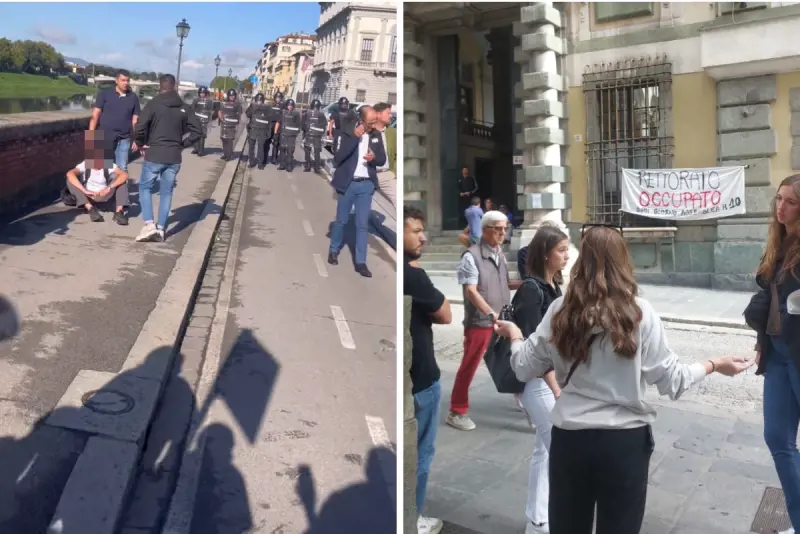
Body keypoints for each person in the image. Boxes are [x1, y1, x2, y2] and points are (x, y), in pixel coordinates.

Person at [493, 225, 753, 534]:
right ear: (623, 261)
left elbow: (522, 367)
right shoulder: (640, 312)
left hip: (571, 441)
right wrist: (714, 364)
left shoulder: (560, 310)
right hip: (624, 444)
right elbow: (672, 380)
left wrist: (515, 336)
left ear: (581, 262)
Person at [746, 174, 800, 534]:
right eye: (778, 199)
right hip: (778, 356)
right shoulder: (777, 244)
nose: (781, 207)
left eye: (790, 202)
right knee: (778, 439)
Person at [512, 226, 570, 534]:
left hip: (551, 380)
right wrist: (556, 386)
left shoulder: (553, 287)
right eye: (561, 249)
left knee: (544, 451)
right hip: (539, 384)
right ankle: (542, 519)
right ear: (545, 253)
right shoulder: (532, 289)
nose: (567, 254)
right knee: (559, 452)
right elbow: (536, 347)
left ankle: (537, 519)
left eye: (567, 249)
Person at [447, 210, 521, 431]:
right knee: (469, 365)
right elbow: (471, 291)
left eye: (504, 228)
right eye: (497, 228)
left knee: (514, 358)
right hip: (481, 322)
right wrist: (490, 313)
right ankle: (456, 410)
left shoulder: (500, 253)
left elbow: (505, 283)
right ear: (485, 229)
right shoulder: (471, 256)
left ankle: (523, 397)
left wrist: (526, 283)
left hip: (503, 318)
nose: (502, 233)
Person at [403, 205, 451, 534]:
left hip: (409, 379)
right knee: (422, 454)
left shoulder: (403, 270)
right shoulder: (414, 276)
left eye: (423, 230)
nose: (424, 236)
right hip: (422, 380)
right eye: (416, 230)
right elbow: (446, 314)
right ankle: (413, 518)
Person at [133, 74, 203, 242]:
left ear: (160, 87)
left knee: (144, 188)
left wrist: (140, 143)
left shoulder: (153, 104)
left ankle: (149, 225)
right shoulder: (184, 107)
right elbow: (198, 131)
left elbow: (140, 127)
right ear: (175, 87)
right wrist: (182, 144)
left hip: (155, 154)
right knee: (166, 192)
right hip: (174, 156)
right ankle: (162, 228)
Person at [327, 106, 387, 278]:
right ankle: (333, 250)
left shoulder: (376, 135)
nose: (374, 125)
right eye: (370, 122)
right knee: (341, 220)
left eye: (375, 121)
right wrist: (355, 137)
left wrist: (374, 158)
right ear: (361, 120)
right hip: (348, 183)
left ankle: (361, 262)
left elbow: (382, 159)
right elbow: (338, 157)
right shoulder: (347, 132)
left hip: (366, 185)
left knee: (362, 224)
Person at [66, 130, 130, 225]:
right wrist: (84, 190)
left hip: (104, 194)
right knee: (70, 181)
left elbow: (124, 175)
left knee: (121, 181)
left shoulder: (108, 164)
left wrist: (109, 188)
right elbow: (70, 173)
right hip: (89, 195)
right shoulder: (85, 164)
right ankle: (90, 209)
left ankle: (119, 212)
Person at [89, 69, 141, 173]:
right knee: (97, 168)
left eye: (127, 80)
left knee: (122, 168)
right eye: (123, 80)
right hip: (103, 135)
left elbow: (135, 121)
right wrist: (90, 136)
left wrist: (137, 138)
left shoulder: (133, 98)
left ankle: (120, 189)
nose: (126, 83)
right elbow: (95, 115)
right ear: (116, 81)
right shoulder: (105, 94)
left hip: (124, 138)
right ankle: (100, 189)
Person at [373, 102, 395, 208]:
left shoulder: (392, 133)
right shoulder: (366, 131)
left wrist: (394, 172)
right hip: (367, 174)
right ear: (378, 114)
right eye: (388, 113)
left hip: (386, 174)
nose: (391, 116)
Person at [245, 93, 271, 169]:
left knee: (261, 147)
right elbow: (247, 114)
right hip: (253, 129)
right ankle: (252, 162)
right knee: (251, 147)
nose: (259, 102)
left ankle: (260, 163)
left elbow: (269, 119)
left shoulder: (267, 108)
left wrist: (268, 131)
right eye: (258, 100)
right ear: (256, 100)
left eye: (260, 100)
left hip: (262, 130)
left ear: (263, 101)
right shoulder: (252, 106)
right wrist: (253, 108)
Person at [302, 99, 327, 173]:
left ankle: (308, 166)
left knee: (308, 151)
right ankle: (316, 167)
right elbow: (324, 126)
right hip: (316, 136)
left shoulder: (307, 113)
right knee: (316, 152)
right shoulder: (321, 114)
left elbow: (303, 124)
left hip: (310, 135)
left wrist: (305, 132)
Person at [278, 98, 302, 172]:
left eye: (291, 105)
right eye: (289, 105)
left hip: (291, 136)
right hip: (283, 135)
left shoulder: (296, 114)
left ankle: (289, 166)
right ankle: (282, 165)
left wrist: (296, 133)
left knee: (290, 151)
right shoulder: (282, 112)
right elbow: (278, 122)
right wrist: (276, 132)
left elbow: (299, 125)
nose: (290, 107)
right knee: (282, 150)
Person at [218, 88, 242, 161]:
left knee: (230, 140)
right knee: (224, 139)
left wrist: (236, 121)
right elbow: (220, 111)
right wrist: (222, 119)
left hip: (232, 125)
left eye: (233, 95)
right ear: (228, 96)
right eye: (231, 95)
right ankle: (225, 154)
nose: (232, 97)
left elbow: (239, 114)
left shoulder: (237, 105)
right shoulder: (224, 103)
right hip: (224, 124)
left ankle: (229, 156)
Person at [190, 86, 214, 157]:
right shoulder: (196, 100)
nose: (202, 94)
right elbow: (192, 109)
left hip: (204, 120)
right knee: (195, 135)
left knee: (202, 135)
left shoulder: (209, 101)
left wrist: (209, 119)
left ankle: (201, 150)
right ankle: (196, 148)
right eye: (201, 93)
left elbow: (210, 111)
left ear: (206, 93)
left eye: (203, 93)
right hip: (196, 120)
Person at [267, 92, 285, 165]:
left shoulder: (283, 106)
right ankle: (265, 157)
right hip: (270, 124)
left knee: (276, 142)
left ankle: (274, 158)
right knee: (267, 141)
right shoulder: (271, 105)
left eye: (279, 98)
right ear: (274, 98)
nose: (278, 99)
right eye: (277, 97)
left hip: (278, 125)